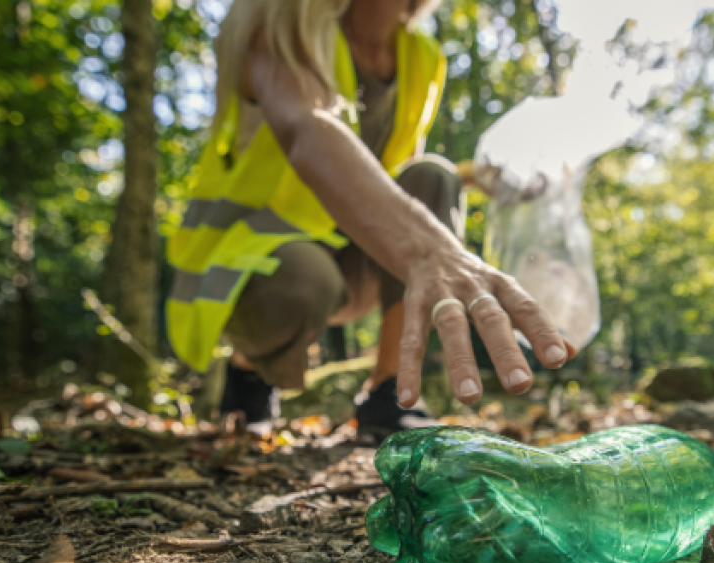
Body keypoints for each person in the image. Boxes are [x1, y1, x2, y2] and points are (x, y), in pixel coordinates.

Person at [165, 0, 575, 439]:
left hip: (351, 249)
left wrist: (480, 179)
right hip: (256, 255)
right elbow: (305, 126)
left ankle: (390, 393)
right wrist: (433, 251)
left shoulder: (420, 54)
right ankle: (249, 373)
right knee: (307, 281)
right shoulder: (289, 15)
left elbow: (396, 179)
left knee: (433, 176)